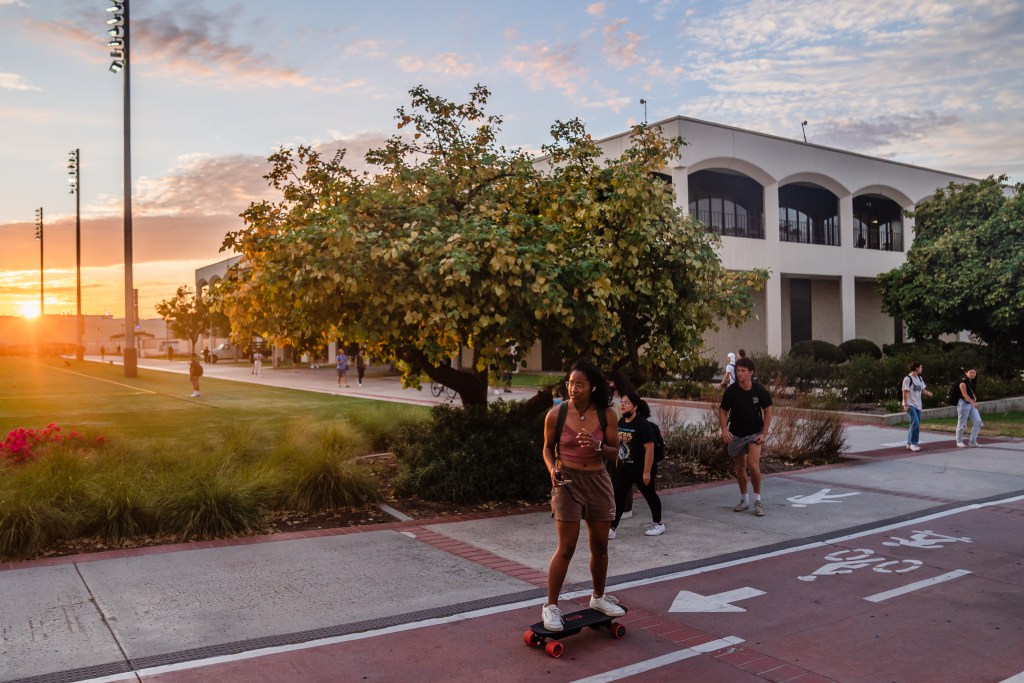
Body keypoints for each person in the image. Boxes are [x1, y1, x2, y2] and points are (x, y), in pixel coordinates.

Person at [540, 359, 624, 632]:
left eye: (579, 384)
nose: (573, 388)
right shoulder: (557, 414)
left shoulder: (607, 415)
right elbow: (547, 448)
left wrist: (599, 445)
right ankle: (550, 606)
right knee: (567, 546)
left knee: (600, 547)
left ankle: (598, 598)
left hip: (598, 482)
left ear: (592, 387)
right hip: (567, 482)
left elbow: (617, 452)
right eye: (570, 383)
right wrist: (552, 469)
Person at [719, 356, 773, 517]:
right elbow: (723, 411)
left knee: (753, 465)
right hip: (736, 433)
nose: (740, 374)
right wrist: (724, 430)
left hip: (754, 434)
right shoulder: (731, 391)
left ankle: (758, 500)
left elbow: (768, 410)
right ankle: (745, 500)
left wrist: (764, 432)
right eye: (738, 370)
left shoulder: (759, 390)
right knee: (740, 467)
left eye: (743, 371)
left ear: (751, 373)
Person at [609, 391, 664, 539]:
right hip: (624, 469)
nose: (622, 405)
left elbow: (650, 448)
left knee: (650, 495)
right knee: (618, 497)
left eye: (626, 403)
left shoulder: (643, 425)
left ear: (635, 407)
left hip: (641, 469)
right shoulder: (621, 422)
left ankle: (658, 524)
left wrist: (646, 472)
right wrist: (617, 463)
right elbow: (620, 444)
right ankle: (612, 528)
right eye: (622, 402)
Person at [902, 361, 933, 452]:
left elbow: (922, 390)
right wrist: (906, 404)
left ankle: (909, 443)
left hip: (918, 405)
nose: (921, 369)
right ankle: (914, 443)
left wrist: (928, 393)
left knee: (914, 424)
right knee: (915, 423)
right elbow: (904, 391)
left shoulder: (919, 378)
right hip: (910, 404)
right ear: (916, 368)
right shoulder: (907, 379)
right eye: (920, 367)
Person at [955, 367, 983, 448]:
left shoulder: (972, 382)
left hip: (971, 404)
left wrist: (973, 402)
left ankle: (972, 441)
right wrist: (973, 402)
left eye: (974, 372)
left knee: (978, 422)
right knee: (962, 423)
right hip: (963, 404)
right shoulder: (962, 382)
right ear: (966, 373)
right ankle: (959, 441)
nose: (973, 374)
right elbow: (964, 394)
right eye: (971, 372)